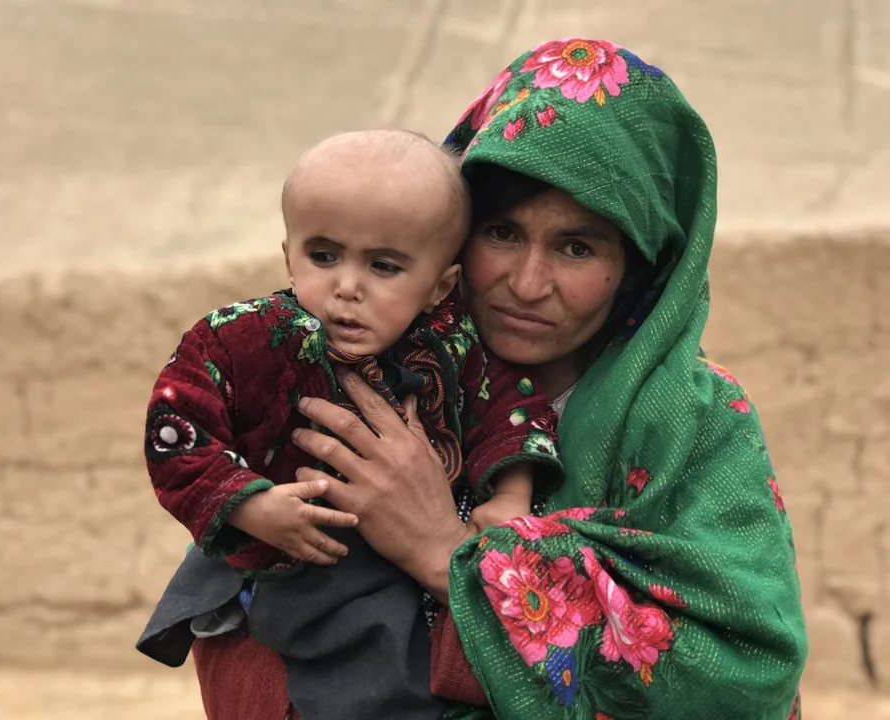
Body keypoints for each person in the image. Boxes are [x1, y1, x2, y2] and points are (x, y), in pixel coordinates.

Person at [186, 37, 809, 720]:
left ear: (640, 266)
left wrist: (445, 551)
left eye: (578, 246)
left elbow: (742, 677)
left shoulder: (697, 425)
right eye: (502, 232)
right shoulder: (351, 368)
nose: (527, 283)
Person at [138, 129, 563, 720]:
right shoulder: (241, 339)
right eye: (323, 255)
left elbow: (511, 411)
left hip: (383, 576)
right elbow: (176, 427)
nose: (347, 286)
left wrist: (511, 493)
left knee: (386, 682)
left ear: (441, 284)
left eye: (384, 266)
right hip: (273, 551)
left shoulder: (456, 347)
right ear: (289, 255)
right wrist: (247, 504)